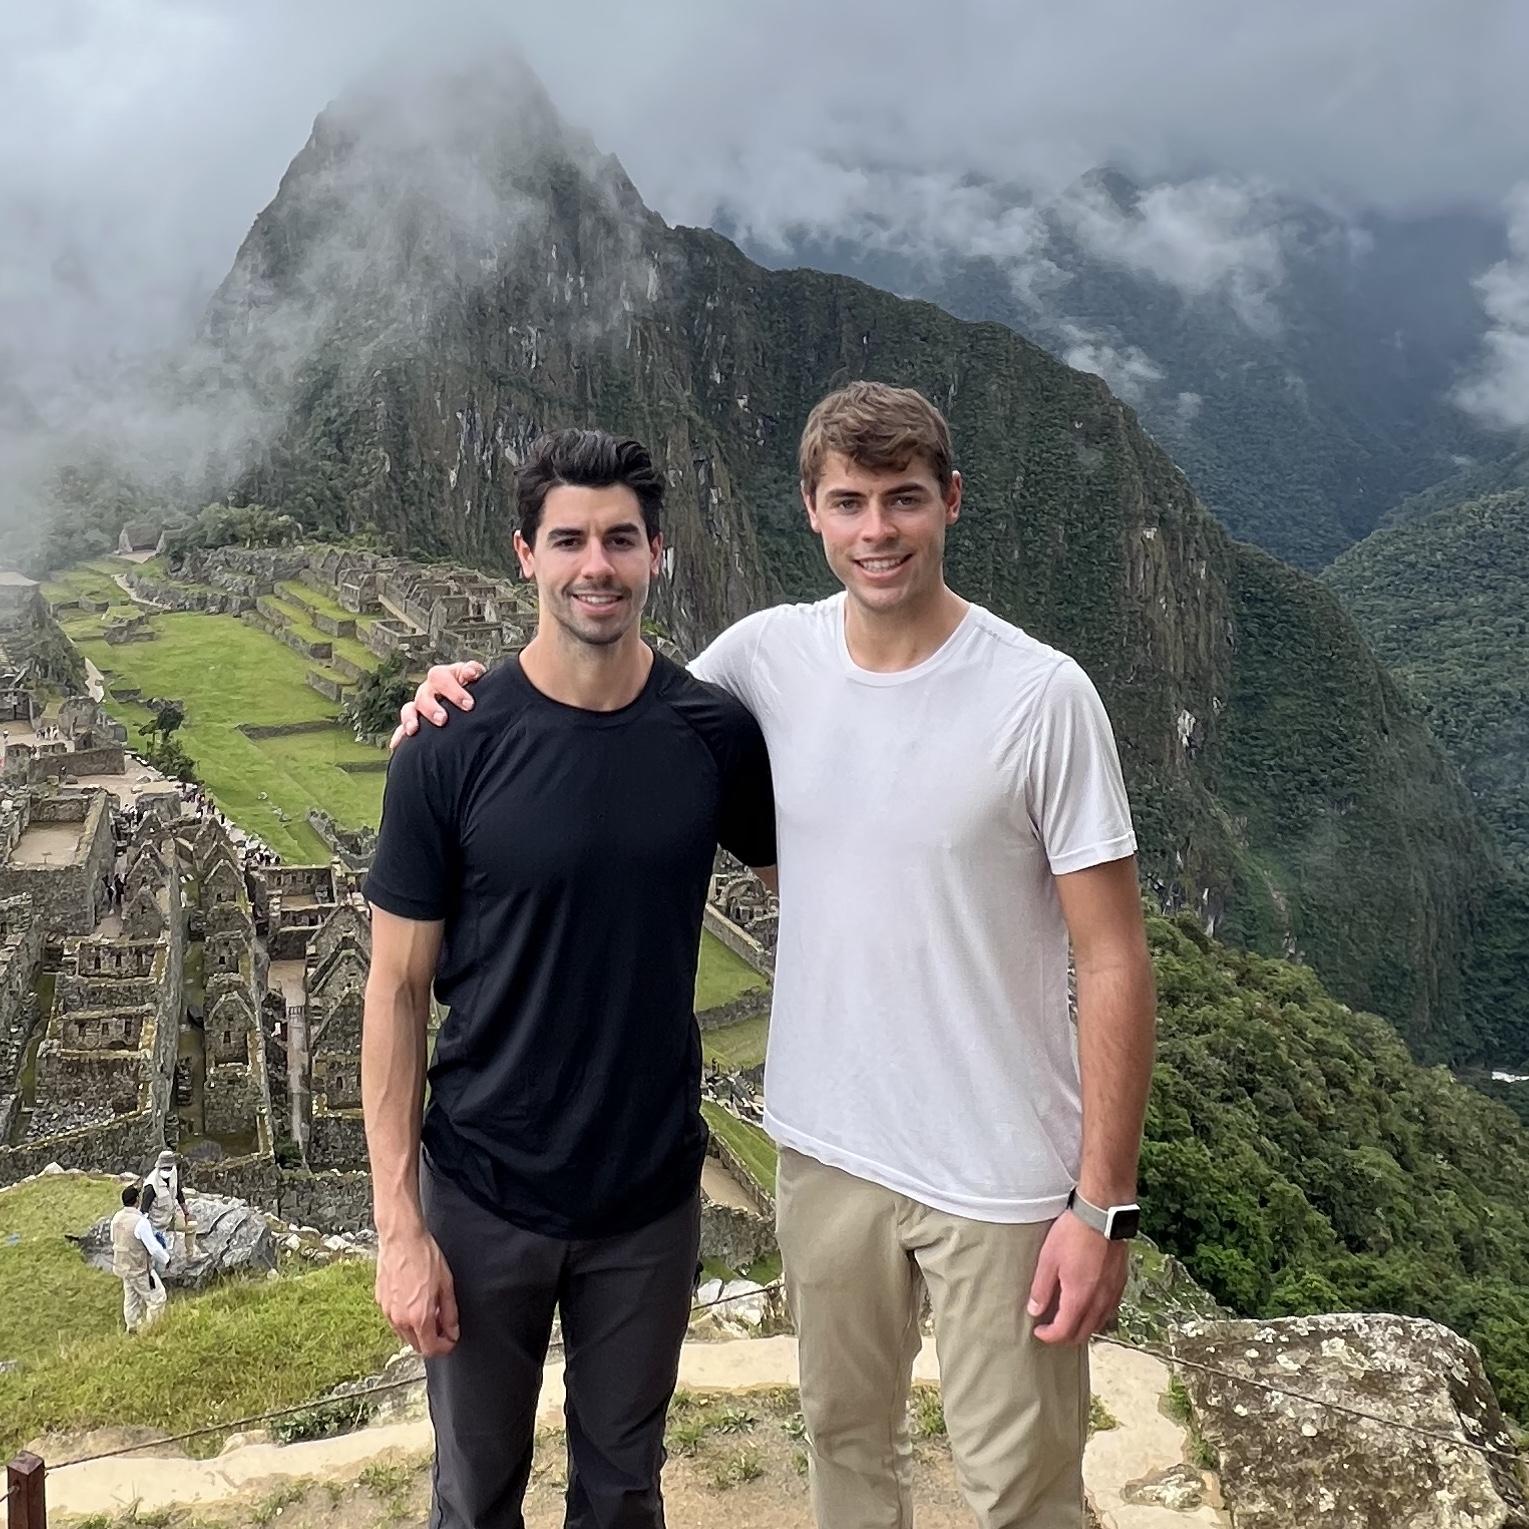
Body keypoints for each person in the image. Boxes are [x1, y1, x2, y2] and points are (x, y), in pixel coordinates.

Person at [398, 383, 1157, 1529]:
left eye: (902, 498)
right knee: (843, 1446)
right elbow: (603, 699)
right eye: (848, 501)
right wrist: (454, 704)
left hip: (998, 1170)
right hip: (827, 1151)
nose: (875, 529)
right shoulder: (763, 660)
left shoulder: (1040, 697)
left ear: (949, 501)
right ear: (810, 510)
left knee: (1020, 1488)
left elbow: (1112, 959)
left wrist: (1101, 1204)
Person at [362, 428, 776, 1529]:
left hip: (646, 1201)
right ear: (525, 554)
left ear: (656, 554)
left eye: (621, 539)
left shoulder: (710, 734)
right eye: (569, 539)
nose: (597, 564)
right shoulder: (448, 746)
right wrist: (399, 1226)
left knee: (623, 1492)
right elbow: (395, 990)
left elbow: (826, 900)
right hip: (482, 1192)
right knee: (472, 1493)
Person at [111, 1183, 169, 1333]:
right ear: (137, 1200)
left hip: (123, 1267)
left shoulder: (116, 1218)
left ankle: (132, 1328)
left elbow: (114, 1239)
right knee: (157, 1298)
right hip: (140, 1269)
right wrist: (166, 1259)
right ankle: (152, 1330)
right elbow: (153, 1248)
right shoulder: (140, 1222)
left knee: (131, 1300)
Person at [142, 1147, 198, 1260]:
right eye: (164, 1168)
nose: (167, 1170)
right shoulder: (151, 1186)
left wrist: (186, 1213)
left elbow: (178, 1194)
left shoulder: (173, 1173)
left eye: (169, 1168)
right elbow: (144, 1212)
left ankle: (190, 1255)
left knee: (192, 1226)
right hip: (157, 1225)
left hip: (171, 1217)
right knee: (159, 1255)